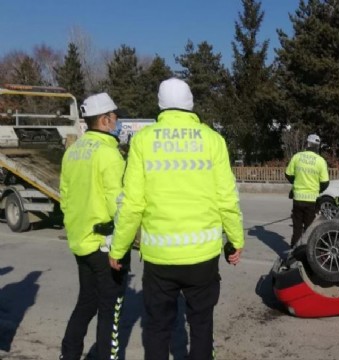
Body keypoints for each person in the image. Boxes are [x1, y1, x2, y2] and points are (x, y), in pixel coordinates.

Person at [108, 78, 244, 360]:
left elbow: (132, 203)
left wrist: (118, 249)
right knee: (202, 326)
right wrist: (236, 240)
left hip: (160, 259)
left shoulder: (143, 140)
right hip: (202, 256)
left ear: (160, 105)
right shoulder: (212, 140)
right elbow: (227, 198)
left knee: (157, 328)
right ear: (190, 103)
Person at [59, 93, 129, 360]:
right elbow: (119, 205)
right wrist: (121, 244)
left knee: (86, 302)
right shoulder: (109, 154)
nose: (118, 122)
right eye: (115, 117)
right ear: (104, 119)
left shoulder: (73, 151)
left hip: (81, 242)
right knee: (109, 311)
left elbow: (64, 197)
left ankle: (68, 355)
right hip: (105, 245)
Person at [285, 134, 329, 248]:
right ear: (318, 146)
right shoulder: (320, 161)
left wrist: (296, 183)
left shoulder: (297, 157)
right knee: (309, 230)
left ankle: (293, 255)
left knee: (297, 229)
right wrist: (317, 190)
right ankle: (307, 254)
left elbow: (288, 174)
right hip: (312, 200)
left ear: (307, 144)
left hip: (298, 198)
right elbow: (325, 182)